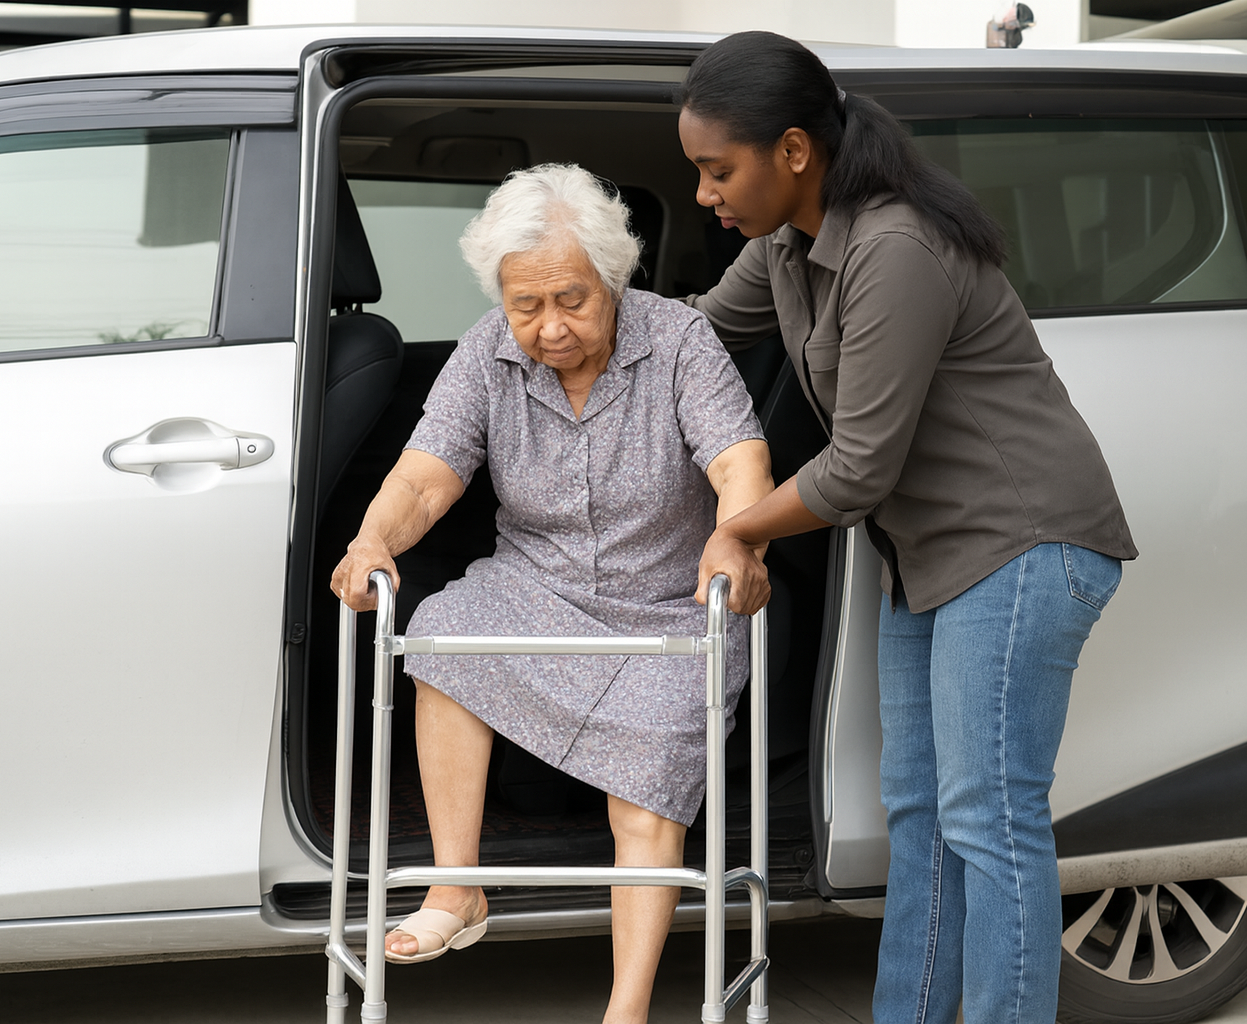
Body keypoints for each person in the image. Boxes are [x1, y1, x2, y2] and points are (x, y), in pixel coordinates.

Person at [676, 32, 1138, 1024]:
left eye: (719, 171)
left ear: (793, 152)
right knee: (921, 816)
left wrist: (740, 528)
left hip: (1021, 543)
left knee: (989, 817)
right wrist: (554, 318)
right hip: (925, 559)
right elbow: (692, 329)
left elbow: (857, 468)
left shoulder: (893, 248)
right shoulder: (786, 249)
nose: (707, 194)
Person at [330, 163, 773, 1024]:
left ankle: (627, 1010)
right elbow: (426, 478)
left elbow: (737, 461)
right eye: (524, 305)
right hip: (537, 588)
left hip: (670, 604)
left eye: (570, 300)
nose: (547, 327)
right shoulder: (485, 350)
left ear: (614, 277)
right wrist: (374, 537)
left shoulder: (678, 338)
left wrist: (735, 532)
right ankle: (458, 888)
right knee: (442, 631)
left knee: (647, 772)